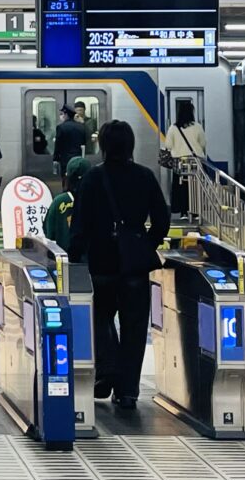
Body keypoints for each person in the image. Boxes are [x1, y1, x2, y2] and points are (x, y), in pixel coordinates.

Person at [70, 120, 170, 410]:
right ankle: (127, 392)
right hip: (135, 267)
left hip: (101, 263)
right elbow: (162, 220)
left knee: (98, 317)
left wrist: (74, 257)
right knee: (135, 328)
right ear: (130, 145)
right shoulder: (145, 176)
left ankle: (108, 367)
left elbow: (80, 225)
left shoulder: (92, 178)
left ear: (102, 144)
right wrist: (144, 243)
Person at [166, 99, 208, 217]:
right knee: (195, 187)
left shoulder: (173, 128)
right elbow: (203, 144)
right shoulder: (198, 127)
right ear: (192, 112)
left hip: (179, 162)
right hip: (195, 161)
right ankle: (195, 212)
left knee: (181, 187)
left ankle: (183, 212)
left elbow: (168, 145)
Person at [43, 156, 90, 251]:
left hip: (63, 259)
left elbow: (49, 232)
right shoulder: (95, 199)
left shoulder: (59, 201)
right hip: (91, 260)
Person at [53, 106, 86, 185]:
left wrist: (55, 158)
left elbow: (58, 144)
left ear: (66, 115)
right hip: (79, 158)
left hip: (65, 159)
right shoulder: (81, 126)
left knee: (66, 180)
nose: (61, 116)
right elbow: (84, 142)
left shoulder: (61, 127)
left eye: (62, 114)